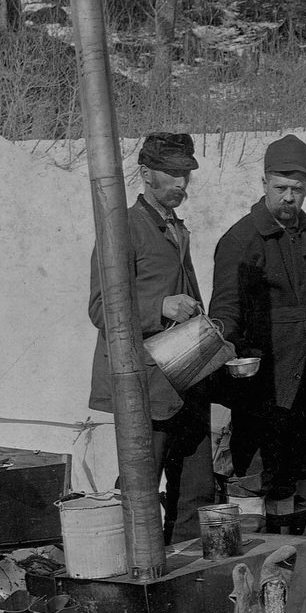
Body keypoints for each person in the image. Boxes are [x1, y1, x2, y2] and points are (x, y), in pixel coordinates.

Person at [88, 132, 223, 544]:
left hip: (186, 378)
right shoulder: (122, 228)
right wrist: (159, 307)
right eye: (173, 174)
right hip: (144, 385)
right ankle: (126, 572)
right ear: (146, 174)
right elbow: (99, 308)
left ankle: (188, 576)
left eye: (186, 174)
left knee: (196, 491)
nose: (182, 183)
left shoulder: (175, 228)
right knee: (140, 488)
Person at [209, 134, 306, 502]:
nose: (288, 197)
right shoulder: (241, 239)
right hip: (268, 380)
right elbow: (225, 313)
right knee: (259, 473)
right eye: (280, 188)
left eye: (297, 189)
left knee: (300, 466)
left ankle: (299, 548)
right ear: (263, 184)